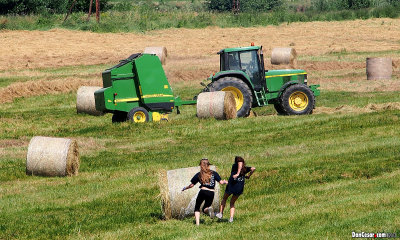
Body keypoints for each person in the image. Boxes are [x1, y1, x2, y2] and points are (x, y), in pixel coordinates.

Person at [182, 158, 228, 226]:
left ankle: (197, 224)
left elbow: (192, 185)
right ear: (208, 165)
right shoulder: (213, 173)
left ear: (201, 165)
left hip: (203, 191)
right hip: (211, 192)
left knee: (197, 207)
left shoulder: (199, 174)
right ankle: (208, 209)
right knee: (205, 208)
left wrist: (185, 188)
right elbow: (221, 182)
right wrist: (224, 182)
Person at [216, 156, 255, 223]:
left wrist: (237, 173)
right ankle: (231, 218)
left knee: (224, 199)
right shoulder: (245, 168)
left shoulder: (235, 166)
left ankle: (220, 213)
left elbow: (239, 163)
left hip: (231, 186)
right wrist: (249, 175)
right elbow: (253, 168)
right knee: (232, 203)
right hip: (239, 188)